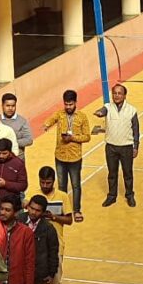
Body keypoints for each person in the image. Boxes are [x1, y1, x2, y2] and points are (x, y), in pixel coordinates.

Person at [43, 90, 90, 222]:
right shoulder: (60, 114)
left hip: (75, 157)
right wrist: (46, 124)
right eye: (66, 104)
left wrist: (72, 138)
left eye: (70, 104)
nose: (68, 107)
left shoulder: (82, 117)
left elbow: (87, 137)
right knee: (61, 185)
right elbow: (51, 119)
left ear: (75, 103)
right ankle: (62, 210)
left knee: (75, 185)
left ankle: (76, 210)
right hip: (60, 155)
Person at [94, 82, 140, 208]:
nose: (117, 95)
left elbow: (136, 130)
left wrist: (136, 146)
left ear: (125, 95)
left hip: (126, 147)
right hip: (111, 147)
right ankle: (111, 196)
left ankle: (129, 195)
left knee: (128, 173)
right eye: (114, 93)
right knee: (112, 173)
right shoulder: (107, 107)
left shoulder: (132, 110)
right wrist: (99, 112)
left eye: (120, 93)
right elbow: (102, 111)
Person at [38, 166, 73, 284]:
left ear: (54, 181)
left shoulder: (63, 196)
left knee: (56, 280)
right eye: (42, 182)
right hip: (39, 246)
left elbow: (69, 220)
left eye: (48, 182)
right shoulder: (35, 195)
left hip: (57, 245)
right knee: (43, 281)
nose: (45, 185)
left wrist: (53, 217)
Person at [0, 93, 34, 161]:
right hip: (1, 160)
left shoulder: (22, 121)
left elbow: (29, 140)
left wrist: (12, 143)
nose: (10, 108)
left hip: (18, 159)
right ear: (2, 105)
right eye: (7, 105)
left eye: (13, 106)